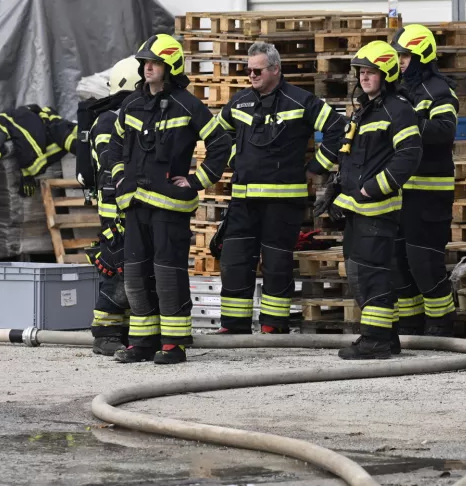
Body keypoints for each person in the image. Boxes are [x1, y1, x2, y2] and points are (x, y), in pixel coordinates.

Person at [106, 34, 232, 364]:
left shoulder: (187, 105)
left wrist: (194, 182)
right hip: (134, 205)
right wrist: (119, 177)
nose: (148, 67)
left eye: (155, 63)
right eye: (145, 62)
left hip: (169, 208)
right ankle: (142, 342)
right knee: (135, 275)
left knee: (167, 276)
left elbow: (221, 144)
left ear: (170, 67)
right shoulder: (131, 105)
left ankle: (173, 344)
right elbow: (113, 145)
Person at [214, 42, 346, 335]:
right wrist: (237, 158)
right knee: (234, 262)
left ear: (275, 69)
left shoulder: (300, 100)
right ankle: (233, 326)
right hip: (243, 201)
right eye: (249, 70)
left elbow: (338, 127)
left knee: (276, 266)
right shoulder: (241, 101)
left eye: (257, 70)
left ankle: (273, 326)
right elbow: (218, 133)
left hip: (283, 202)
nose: (252, 75)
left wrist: (316, 167)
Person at [324, 40, 423, 359]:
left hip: (377, 210)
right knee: (358, 272)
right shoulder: (363, 112)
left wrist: (371, 189)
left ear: (387, 74)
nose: (364, 78)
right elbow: (352, 158)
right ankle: (385, 335)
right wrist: (335, 189)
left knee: (371, 273)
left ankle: (375, 340)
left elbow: (408, 156)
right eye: (361, 72)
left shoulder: (398, 110)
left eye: (371, 72)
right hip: (357, 210)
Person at [390, 24, 460, 336]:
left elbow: (445, 130)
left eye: (405, 55)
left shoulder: (438, 90)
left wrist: (410, 123)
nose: (400, 61)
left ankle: (442, 323)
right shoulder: (400, 90)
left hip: (430, 193)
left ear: (421, 55)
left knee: (424, 262)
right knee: (399, 262)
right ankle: (411, 323)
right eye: (398, 55)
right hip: (400, 194)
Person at [87, 56, 141, 355]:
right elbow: (111, 162)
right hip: (116, 214)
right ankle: (105, 333)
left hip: (134, 209)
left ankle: (129, 331)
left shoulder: (132, 116)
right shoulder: (108, 121)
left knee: (134, 272)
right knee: (116, 272)